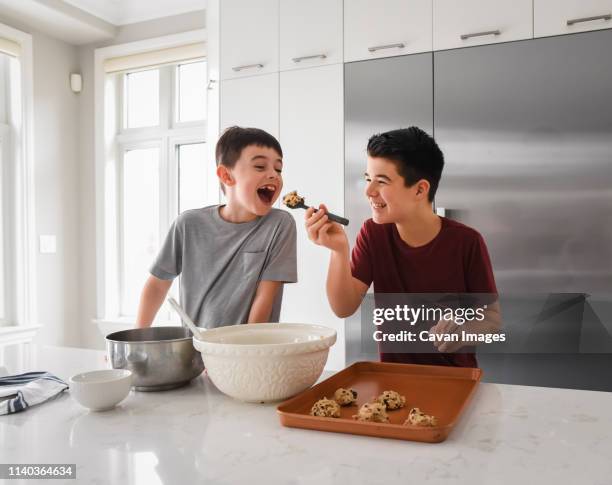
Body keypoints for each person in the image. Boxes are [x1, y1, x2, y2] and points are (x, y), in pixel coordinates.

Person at [305, 126, 500, 367]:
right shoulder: (373, 234)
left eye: (382, 182)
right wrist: (338, 250)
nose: (368, 191)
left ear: (420, 189)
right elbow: (344, 307)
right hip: (394, 380)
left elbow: (492, 320)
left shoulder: (467, 242)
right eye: (368, 179)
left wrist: (463, 331)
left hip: (455, 379)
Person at [136, 126, 297, 329]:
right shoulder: (188, 225)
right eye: (260, 167)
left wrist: (245, 351)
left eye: (278, 169)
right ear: (226, 176)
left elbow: (265, 298)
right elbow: (157, 285)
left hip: (250, 350)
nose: (274, 175)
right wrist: (136, 343)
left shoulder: (279, 225)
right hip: (194, 349)